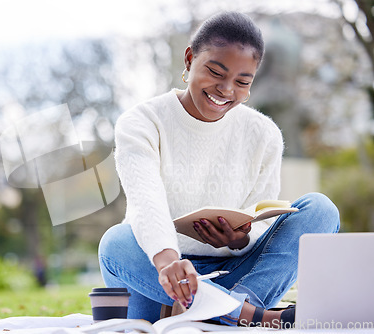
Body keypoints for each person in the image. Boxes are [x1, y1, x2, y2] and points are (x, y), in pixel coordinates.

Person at [98, 11, 340, 328]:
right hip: (162, 276)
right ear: (189, 59)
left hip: (238, 275)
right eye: (215, 72)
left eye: (242, 81)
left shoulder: (264, 134)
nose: (226, 90)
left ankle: (227, 311)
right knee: (115, 242)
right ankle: (248, 316)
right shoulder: (143, 122)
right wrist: (170, 261)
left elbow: (259, 218)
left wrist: (240, 240)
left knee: (321, 210)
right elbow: (146, 202)